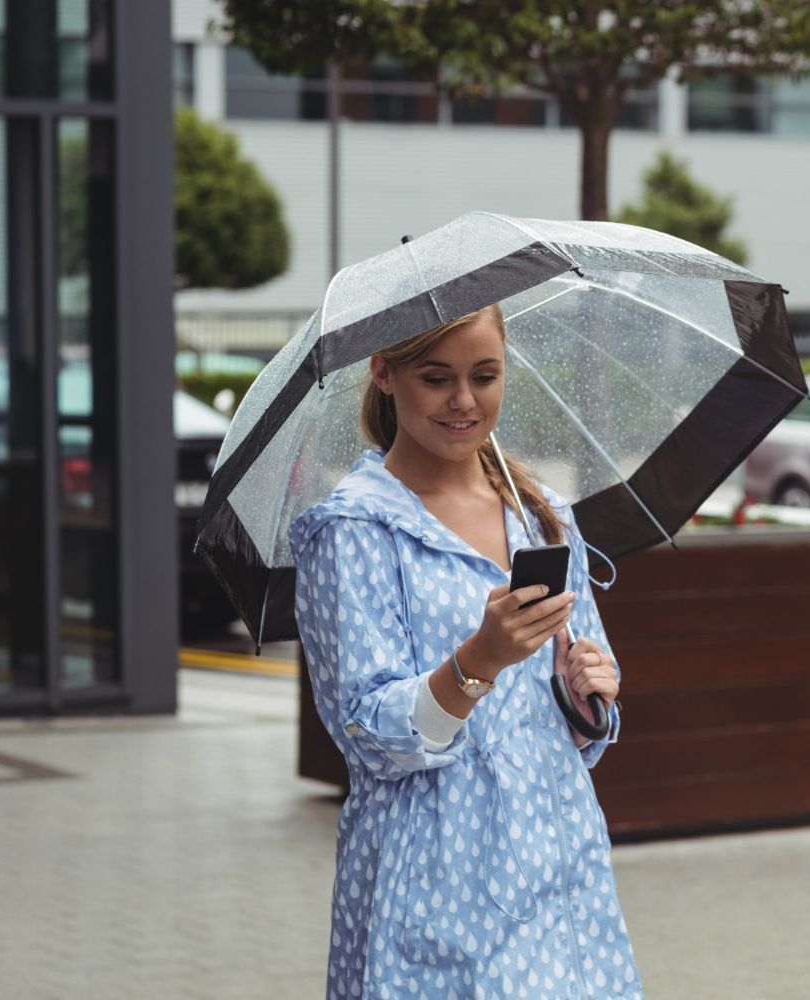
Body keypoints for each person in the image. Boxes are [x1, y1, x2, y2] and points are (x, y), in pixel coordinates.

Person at [289, 303, 643, 998]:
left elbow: (584, 723)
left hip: (557, 855)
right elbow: (368, 738)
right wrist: (479, 659)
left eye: (485, 376)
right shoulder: (355, 530)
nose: (464, 400)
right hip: (432, 869)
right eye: (436, 377)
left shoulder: (543, 514)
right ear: (383, 374)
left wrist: (589, 691)